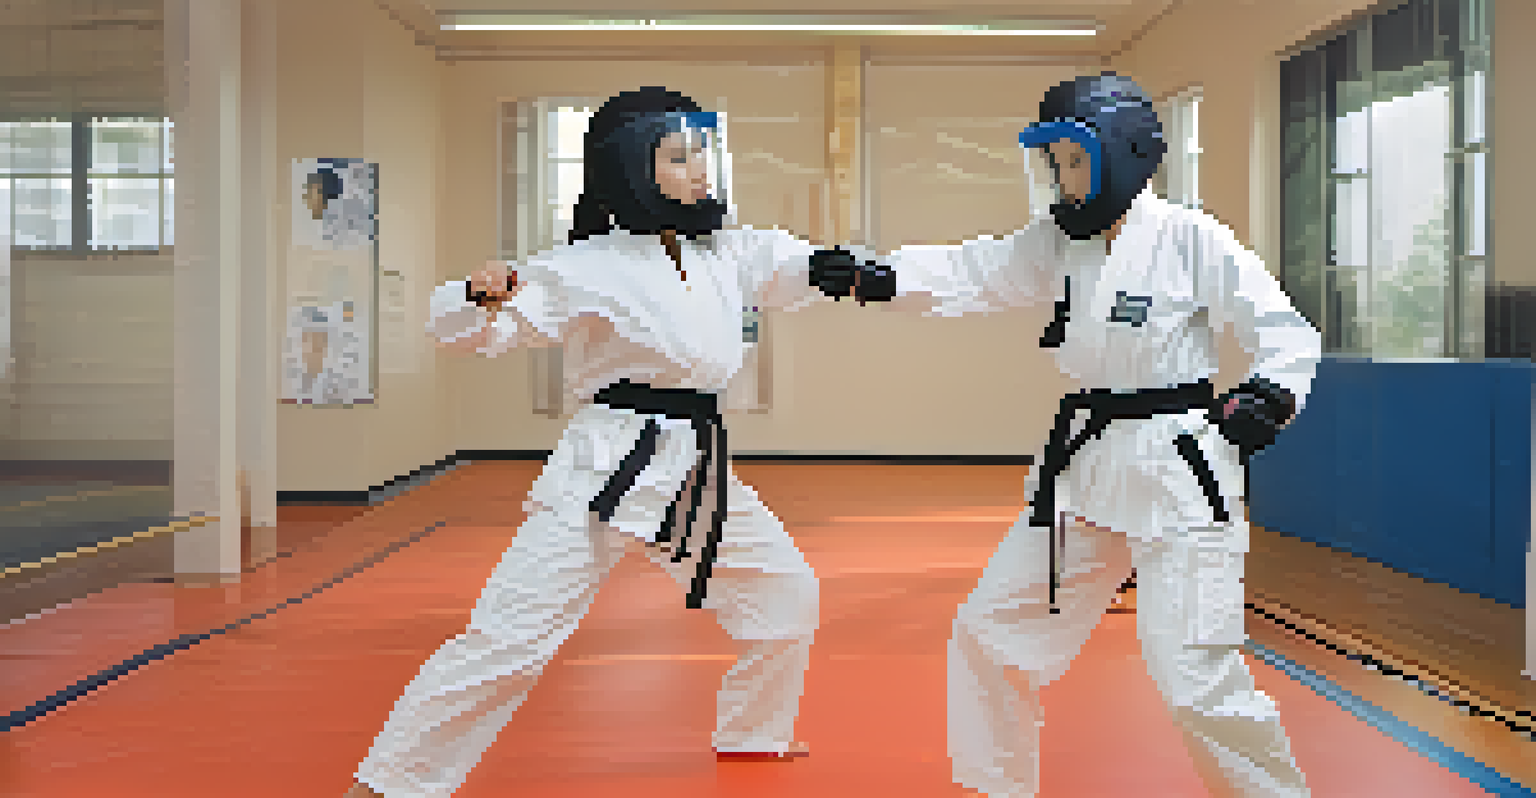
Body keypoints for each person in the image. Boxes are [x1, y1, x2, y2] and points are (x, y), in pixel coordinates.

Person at [343, 86, 894, 798]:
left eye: (702, 154)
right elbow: (477, 332)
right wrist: (477, 298)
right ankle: (389, 785)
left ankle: (755, 734)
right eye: (677, 157)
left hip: (694, 462)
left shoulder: (725, 251)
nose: (699, 170)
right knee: (510, 641)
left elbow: (788, 266)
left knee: (785, 593)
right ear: (634, 170)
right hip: (606, 466)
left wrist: (841, 269)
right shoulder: (585, 265)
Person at [866, 73, 1321, 797]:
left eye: (1075, 160)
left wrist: (1268, 395)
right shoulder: (1055, 244)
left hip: (1180, 476)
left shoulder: (1188, 237)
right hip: (1086, 474)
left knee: (1194, 681)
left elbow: (1282, 330)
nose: (1063, 180)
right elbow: (968, 271)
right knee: (989, 633)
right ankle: (996, 786)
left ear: (1123, 153)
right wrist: (876, 276)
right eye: (1055, 164)